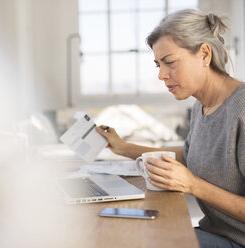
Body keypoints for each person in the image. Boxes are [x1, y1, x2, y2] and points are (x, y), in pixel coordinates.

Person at [96, 9, 245, 248]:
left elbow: (193, 175)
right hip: (213, 232)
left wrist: (192, 184)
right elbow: (192, 154)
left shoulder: (242, 109)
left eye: (170, 62)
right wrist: (123, 148)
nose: (161, 75)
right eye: (158, 65)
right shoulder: (201, 105)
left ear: (204, 54)